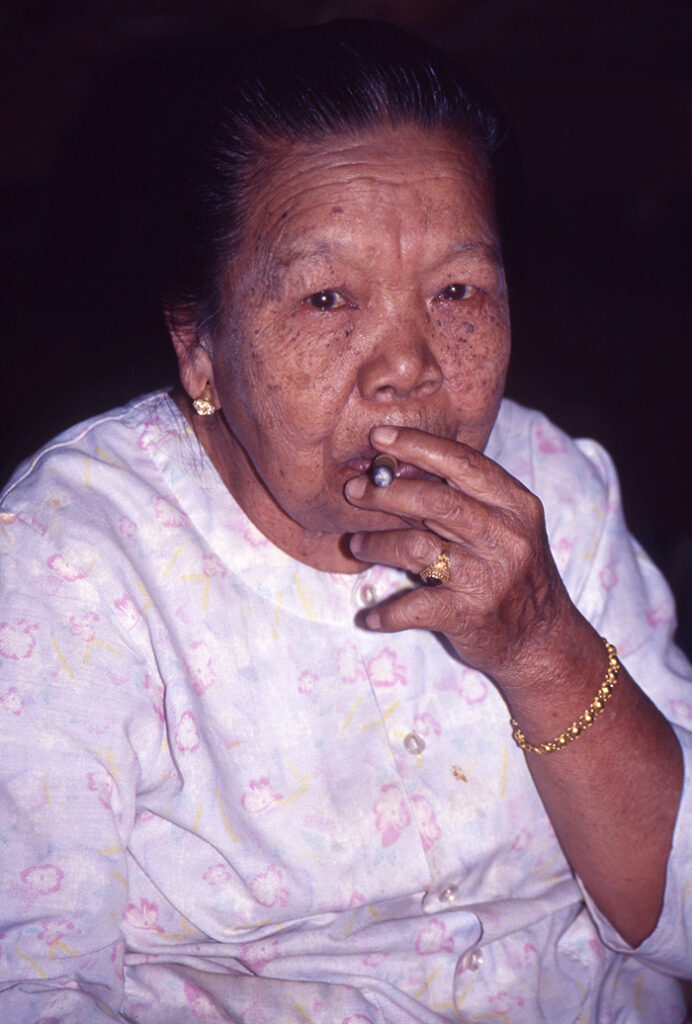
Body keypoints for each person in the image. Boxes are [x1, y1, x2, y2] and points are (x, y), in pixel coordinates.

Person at [0, 18, 690, 1024]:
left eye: (456, 290)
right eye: (328, 298)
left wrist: (543, 645)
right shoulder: (74, 564)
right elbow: (33, 983)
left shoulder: (550, 492)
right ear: (198, 346)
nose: (407, 365)